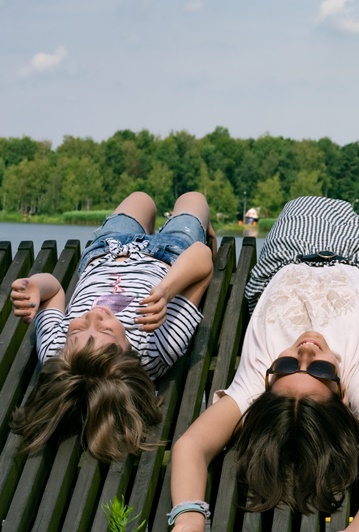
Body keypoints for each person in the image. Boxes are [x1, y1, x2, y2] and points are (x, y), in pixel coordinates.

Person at [152, 195, 359, 532]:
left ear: (269, 382)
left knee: (307, 201)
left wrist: (188, 513)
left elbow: (191, 446)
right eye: (319, 370)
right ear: (341, 397)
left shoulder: (256, 383)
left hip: (291, 254)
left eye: (285, 366)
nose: (304, 350)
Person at [9, 191, 214, 462]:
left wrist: (35, 285)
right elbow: (202, 258)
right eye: (106, 331)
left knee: (141, 199)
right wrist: (166, 290)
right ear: (127, 359)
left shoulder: (57, 353)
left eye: (77, 331)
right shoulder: (153, 348)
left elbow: (55, 291)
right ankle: (202, 224)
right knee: (193, 199)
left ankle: (177, 221)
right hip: (172, 254)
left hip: (108, 248)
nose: (94, 317)